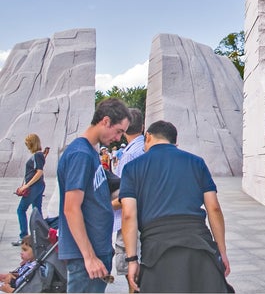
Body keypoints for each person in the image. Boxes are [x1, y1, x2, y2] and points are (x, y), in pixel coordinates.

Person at [120, 121, 232, 293]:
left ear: (148, 136)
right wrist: (221, 251)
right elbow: (214, 208)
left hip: (156, 252)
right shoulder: (196, 163)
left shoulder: (131, 168)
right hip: (199, 245)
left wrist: (132, 260)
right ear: (174, 141)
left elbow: (128, 215)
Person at [57, 97, 131, 292]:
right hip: (86, 259)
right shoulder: (80, 154)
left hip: (96, 251)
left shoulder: (89, 152)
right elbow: (71, 208)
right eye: (118, 131)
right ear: (105, 121)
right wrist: (89, 257)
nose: (118, 138)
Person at [111, 108, 145, 293]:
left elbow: (127, 195)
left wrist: (106, 207)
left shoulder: (130, 154)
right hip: (143, 217)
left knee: (132, 275)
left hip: (129, 219)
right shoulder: (144, 148)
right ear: (142, 126)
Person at [13, 134, 46, 246]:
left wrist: (26, 186)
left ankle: (24, 236)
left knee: (21, 210)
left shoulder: (37, 155)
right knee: (37, 210)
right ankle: (42, 235)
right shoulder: (39, 155)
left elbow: (39, 172)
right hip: (39, 185)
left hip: (34, 187)